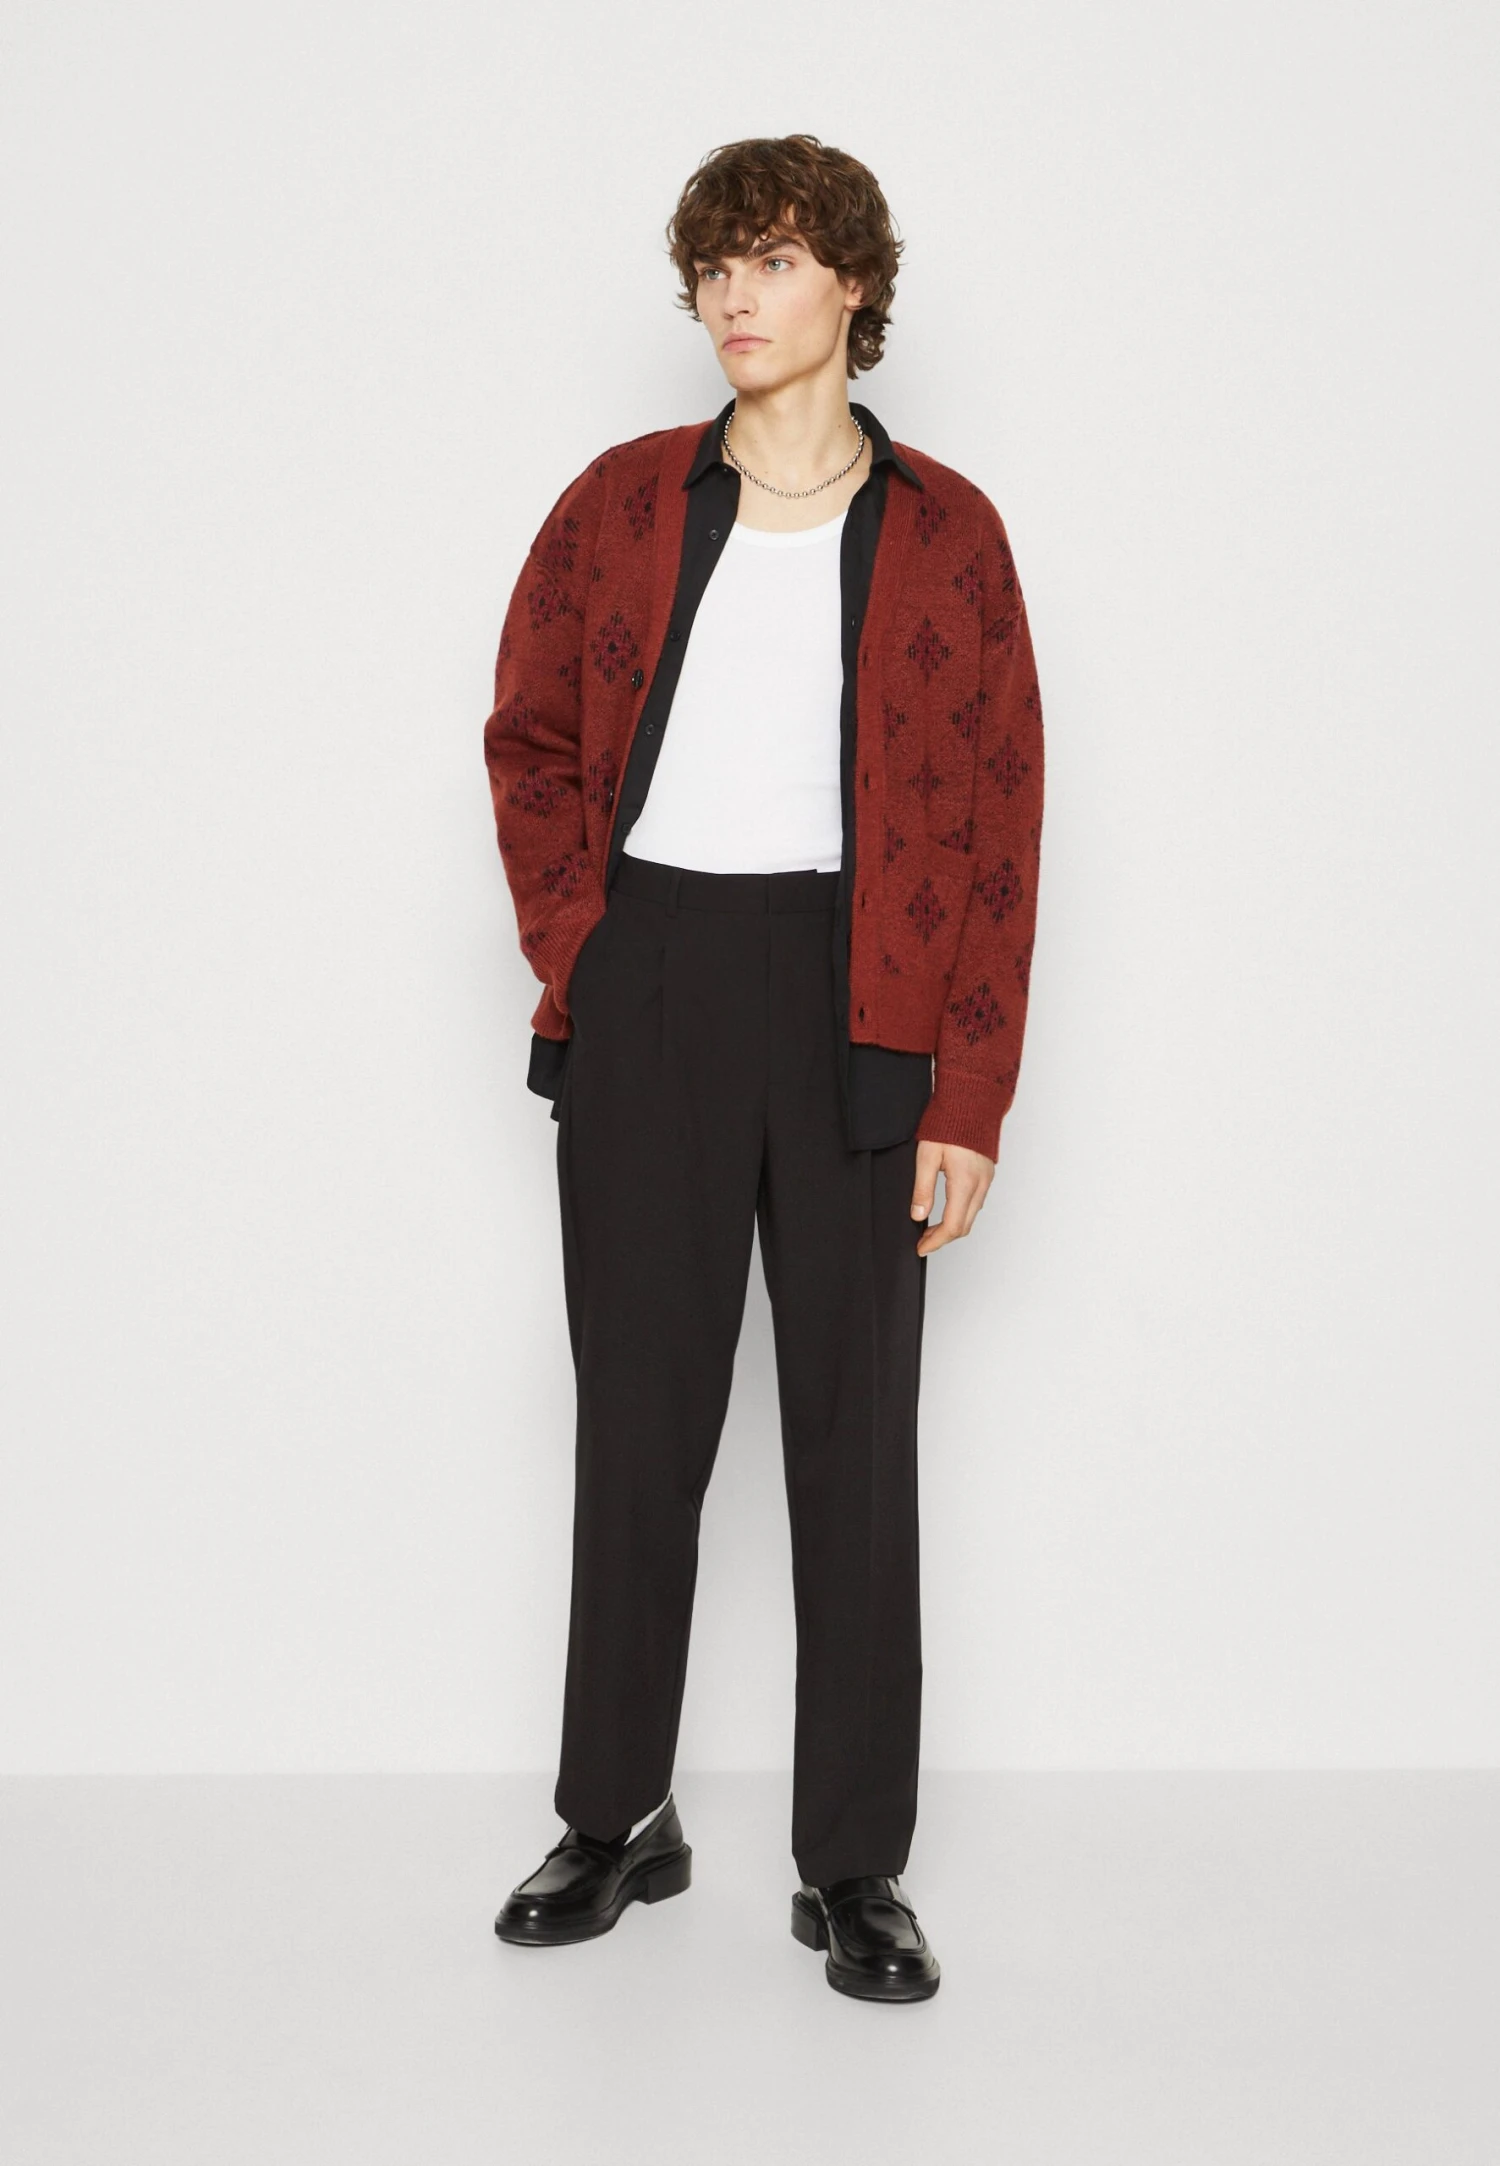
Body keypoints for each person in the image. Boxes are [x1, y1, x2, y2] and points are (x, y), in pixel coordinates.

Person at [482, 134, 1044, 2002]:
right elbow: (528, 737)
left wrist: (968, 1092)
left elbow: (1000, 826)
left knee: (851, 1441)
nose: (735, 294)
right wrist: (585, 947)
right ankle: (615, 1814)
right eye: (716, 265)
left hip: (859, 995)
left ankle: (852, 1865)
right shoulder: (623, 503)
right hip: (651, 978)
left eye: (777, 259)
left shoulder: (949, 533)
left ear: (853, 288)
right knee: (639, 1423)